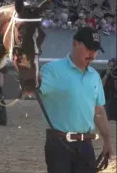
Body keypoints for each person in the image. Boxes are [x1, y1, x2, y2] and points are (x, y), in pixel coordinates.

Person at [38, 27, 114, 173]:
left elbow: (98, 111)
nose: (92, 54)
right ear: (75, 44)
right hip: (59, 145)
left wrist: (107, 141)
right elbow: (33, 88)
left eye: (96, 50)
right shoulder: (51, 70)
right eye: (89, 48)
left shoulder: (94, 76)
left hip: (86, 145)